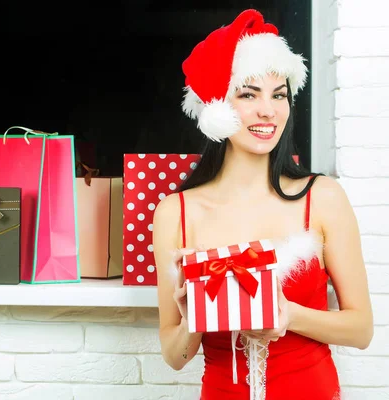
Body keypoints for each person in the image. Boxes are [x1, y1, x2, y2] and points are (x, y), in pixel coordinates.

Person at [153, 8, 373, 400]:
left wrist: (290, 315)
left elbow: (361, 330)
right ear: (218, 108)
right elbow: (174, 356)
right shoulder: (176, 214)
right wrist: (194, 321)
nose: (268, 111)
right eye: (248, 95)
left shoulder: (322, 198)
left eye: (279, 95)